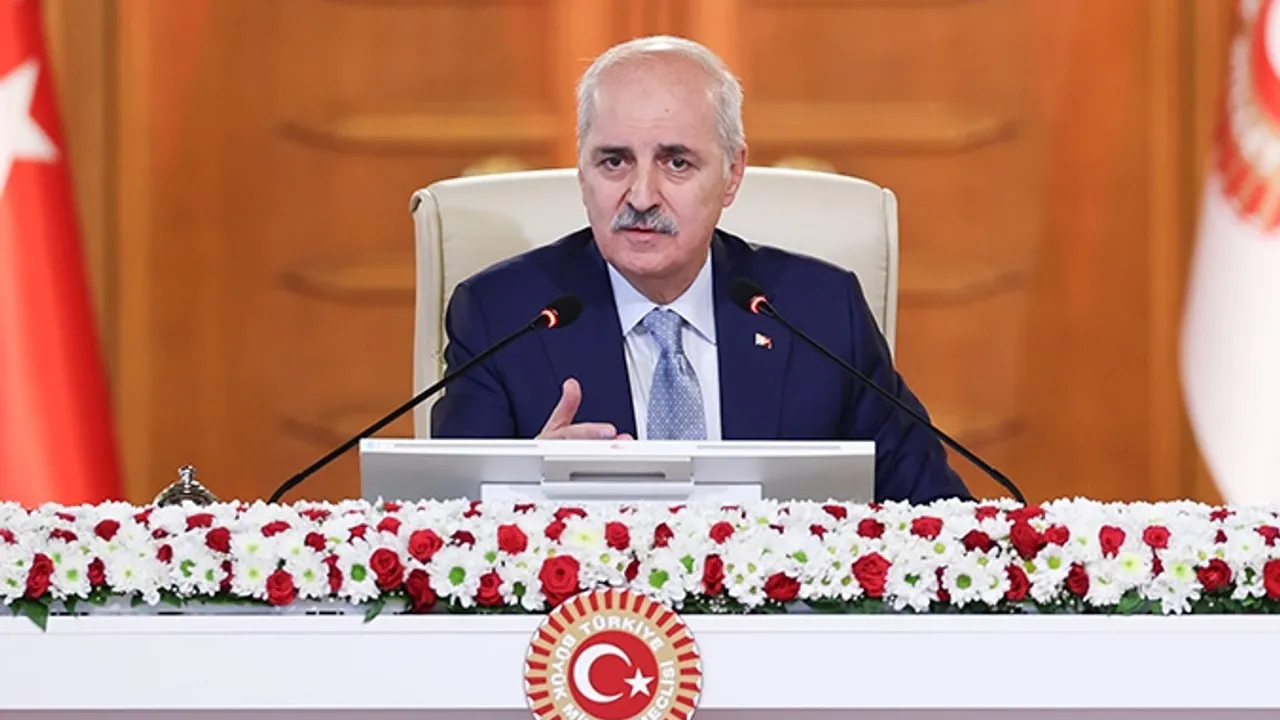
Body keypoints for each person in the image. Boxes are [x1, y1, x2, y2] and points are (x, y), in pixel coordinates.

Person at [429, 35, 972, 504]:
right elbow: (444, 534)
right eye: (614, 161)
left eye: (677, 162)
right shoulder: (502, 317)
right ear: (582, 171)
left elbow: (938, 517)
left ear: (732, 175)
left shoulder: (820, 312)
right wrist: (521, 491)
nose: (641, 196)